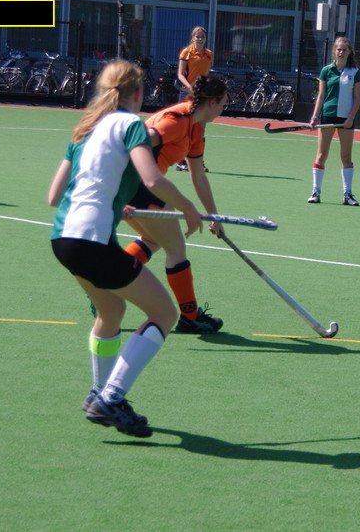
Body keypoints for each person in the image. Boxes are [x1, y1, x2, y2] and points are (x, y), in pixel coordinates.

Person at [48, 59, 204, 438]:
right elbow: (152, 179)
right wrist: (187, 207)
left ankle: (99, 394)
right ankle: (112, 397)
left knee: (112, 311)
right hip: (91, 240)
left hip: (62, 238)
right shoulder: (131, 125)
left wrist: (115, 203)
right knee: (164, 313)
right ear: (137, 93)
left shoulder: (85, 128)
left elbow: (54, 195)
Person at [124, 74, 228, 334]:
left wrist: (214, 216)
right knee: (175, 247)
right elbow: (136, 141)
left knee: (153, 240)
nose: (223, 109)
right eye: (223, 104)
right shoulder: (177, 121)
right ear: (212, 102)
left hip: (143, 187)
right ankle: (190, 317)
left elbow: (198, 176)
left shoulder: (196, 128)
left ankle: (106, 280)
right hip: (141, 184)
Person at [308, 36, 360, 206]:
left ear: (349, 52)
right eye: (339, 49)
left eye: (344, 49)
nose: (341, 52)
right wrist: (315, 117)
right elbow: (321, 96)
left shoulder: (355, 72)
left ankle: (347, 195)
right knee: (321, 155)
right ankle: (316, 192)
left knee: (346, 157)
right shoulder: (326, 71)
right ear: (334, 51)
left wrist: (350, 117)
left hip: (346, 118)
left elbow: (357, 98)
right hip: (328, 116)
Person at [175, 26, 213, 171]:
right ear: (193, 37)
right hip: (187, 94)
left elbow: (205, 74)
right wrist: (190, 87)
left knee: (200, 130)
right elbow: (180, 74)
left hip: (202, 95)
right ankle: (180, 162)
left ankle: (199, 162)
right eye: (197, 36)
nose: (200, 39)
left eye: (202, 36)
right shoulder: (186, 52)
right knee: (185, 129)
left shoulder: (209, 54)